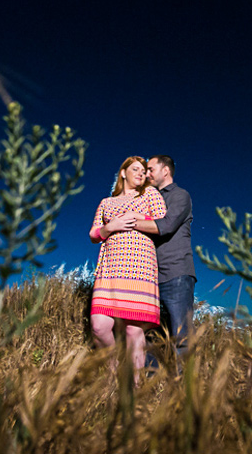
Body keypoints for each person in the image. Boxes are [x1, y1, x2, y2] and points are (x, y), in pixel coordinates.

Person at [89, 156, 167, 379]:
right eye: (135, 169)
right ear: (123, 172)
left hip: (140, 268)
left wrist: (135, 216)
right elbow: (94, 234)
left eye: (144, 171)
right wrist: (110, 227)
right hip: (110, 269)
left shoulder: (150, 194)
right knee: (99, 326)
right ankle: (115, 371)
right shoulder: (106, 203)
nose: (141, 174)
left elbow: (162, 222)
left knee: (134, 331)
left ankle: (134, 389)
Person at [124, 155, 195, 360]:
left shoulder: (180, 196)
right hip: (149, 277)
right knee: (147, 333)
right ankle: (152, 385)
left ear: (165, 171)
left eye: (151, 169)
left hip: (176, 273)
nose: (146, 174)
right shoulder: (145, 197)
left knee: (181, 335)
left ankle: (185, 388)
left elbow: (166, 226)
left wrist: (126, 222)